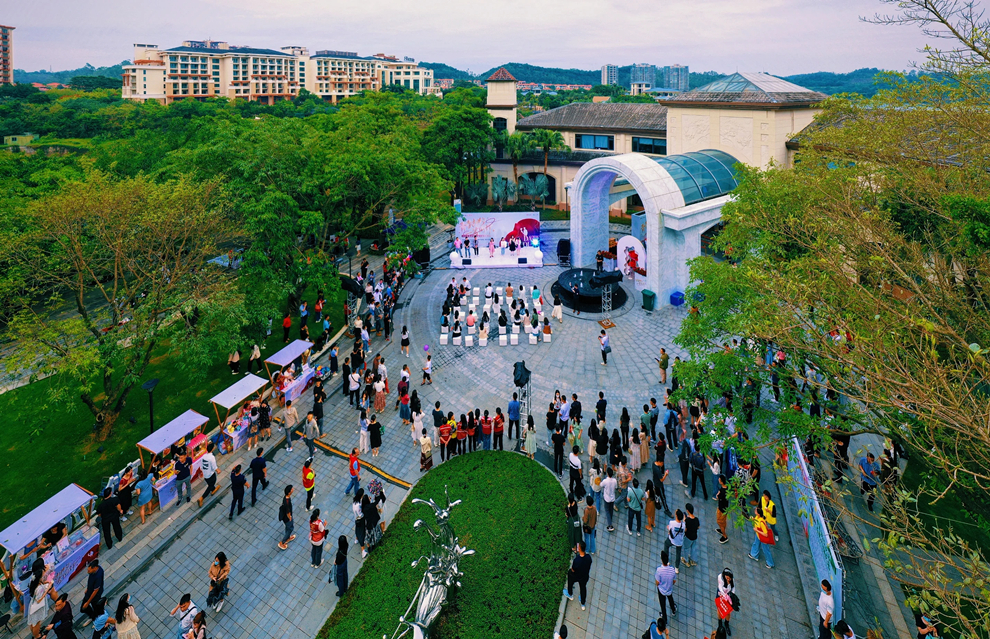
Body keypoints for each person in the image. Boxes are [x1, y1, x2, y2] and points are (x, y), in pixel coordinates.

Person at [562, 541, 593, 611]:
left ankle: (570, 594)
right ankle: (583, 603)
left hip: (576, 576)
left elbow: (573, 569)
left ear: (579, 549)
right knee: (583, 588)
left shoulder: (577, 560)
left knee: (570, 575)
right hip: (584, 576)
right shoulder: (588, 557)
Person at [27, 570, 53, 639]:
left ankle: (34, 634)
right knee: (37, 623)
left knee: (32, 622)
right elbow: (39, 600)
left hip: (32, 605)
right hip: (38, 607)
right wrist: (47, 590)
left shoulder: (33, 583)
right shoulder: (39, 588)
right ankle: (37, 636)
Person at [654, 550, 677, 619]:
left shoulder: (659, 570)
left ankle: (665, 618)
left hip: (662, 590)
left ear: (661, 560)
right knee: (670, 599)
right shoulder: (672, 569)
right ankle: (673, 610)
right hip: (669, 589)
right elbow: (674, 581)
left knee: (662, 604)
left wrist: (659, 585)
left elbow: (657, 582)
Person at [717, 568, 736, 636]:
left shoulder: (732, 580)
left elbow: (733, 588)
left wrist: (731, 595)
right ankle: (720, 622)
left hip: (728, 596)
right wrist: (724, 595)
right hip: (721, 594)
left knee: (728, 612)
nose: (728, 579)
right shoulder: (720, 577)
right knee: (720, 609)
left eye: (729, 578)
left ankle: (726, 623)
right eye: (727, 578)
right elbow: (720, 588)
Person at [277, 485, 296, 550]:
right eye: (291, 489)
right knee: (290, 528)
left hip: (285, 517)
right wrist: (290, 517)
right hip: (287, 518)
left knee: (288, 528)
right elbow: (288, 512)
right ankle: (283, 542)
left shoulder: (286, 498)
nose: (293, 489)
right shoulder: (287, 502)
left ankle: (287, 537)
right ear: (289, 492)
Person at [682, 503, 700, 567]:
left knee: (686, 548)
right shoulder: (696, 519)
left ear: (687, 511)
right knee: (693, 548)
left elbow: (685, 530)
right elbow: (698, 527)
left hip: (688, 537)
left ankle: (686, 560)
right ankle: (693, 560)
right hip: (694, 536)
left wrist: (684, 521)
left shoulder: (687, 520)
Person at [601, 466, 618, 532]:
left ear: (607, 474)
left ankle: (610, 525)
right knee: (611, 510)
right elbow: (615, 487)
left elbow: (601, 485)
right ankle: (610, 518)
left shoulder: (605, 481)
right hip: (612, 497)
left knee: (607, 510)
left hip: (607, 498)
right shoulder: (614, 480)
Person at [716, 475, 730, 544]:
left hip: (722, 509)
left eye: (719, 479)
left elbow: (718, 497)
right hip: (724, 508)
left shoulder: (723, 492)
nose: (718, 480)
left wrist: (718, 494)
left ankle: (724, 536)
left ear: (721, 482)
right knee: (723, 521)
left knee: (720, 522)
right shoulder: (726, 488)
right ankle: (722, 530)